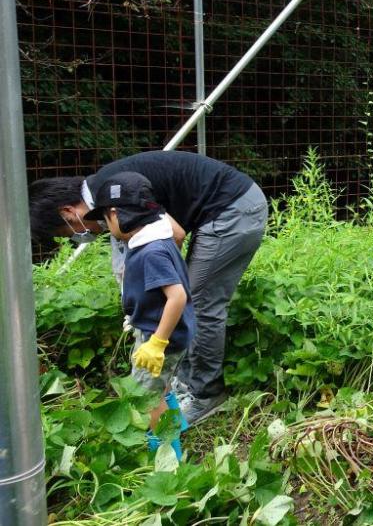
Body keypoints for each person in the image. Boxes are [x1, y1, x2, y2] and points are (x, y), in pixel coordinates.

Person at [28, 150, 268, 426]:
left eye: (68, 234)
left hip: (233, 208)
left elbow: (173, 235)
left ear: (68, 212)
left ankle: (206, 395)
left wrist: (159, 292)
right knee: (187, 298)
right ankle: (187, 382)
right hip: (225, 206)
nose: (80, 238)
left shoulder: (117, 193)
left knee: (200, 303)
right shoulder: (105, 194)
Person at [85, 172, 194, 459]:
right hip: (161, 331)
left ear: (115, 214)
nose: (107, 227)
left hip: (162, 337)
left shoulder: (151, 251)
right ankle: (176, 427)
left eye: (106, 220)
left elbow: (177, 296)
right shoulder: (159, 237)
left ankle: (168, 455)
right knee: (161, 385)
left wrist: (158, 342)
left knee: (147, 397)